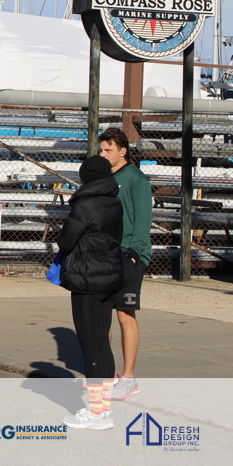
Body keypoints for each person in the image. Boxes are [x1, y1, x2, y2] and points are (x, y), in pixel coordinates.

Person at [57, 155, 124, 431]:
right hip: (110, 277)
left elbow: (66, 240)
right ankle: (104, 408)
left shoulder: (84, 205)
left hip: (86, 280)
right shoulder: (114, 201)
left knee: (90, 344)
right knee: (102, 342)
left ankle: (96, 412)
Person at [97, 127, 153, 400]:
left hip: (129, 255)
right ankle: (108, 373)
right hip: (106, 255)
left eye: (108, 150)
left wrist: (135, 253)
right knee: (102, 316)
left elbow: (143, 218)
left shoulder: (136, 178)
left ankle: (129, 377)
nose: (103, 154)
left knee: (124, 313)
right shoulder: (104, 178)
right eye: (101, 149)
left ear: (122, 151)